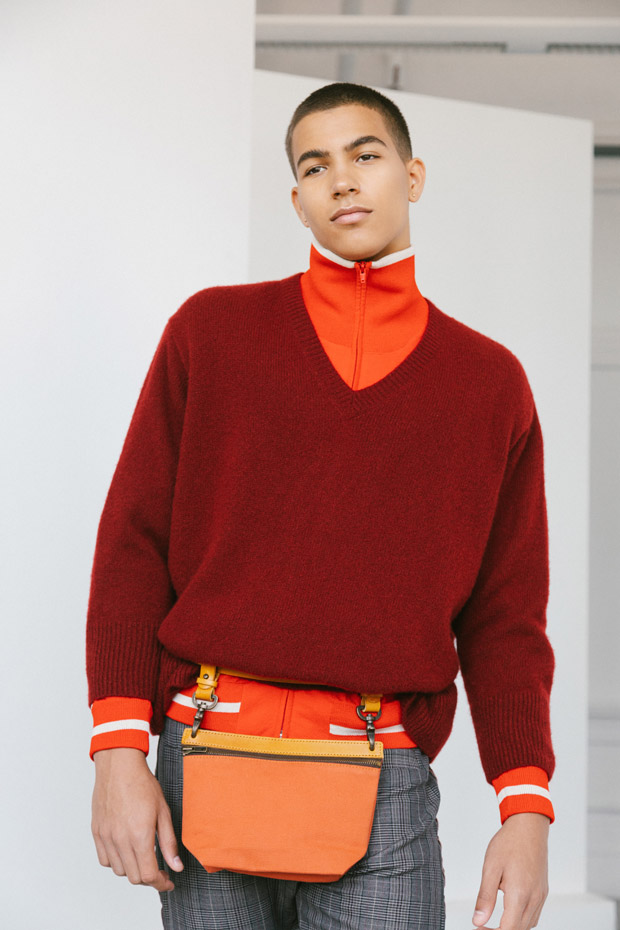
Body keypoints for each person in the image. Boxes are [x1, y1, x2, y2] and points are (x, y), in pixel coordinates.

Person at [87, 81, 555, 930]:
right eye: (315, 165)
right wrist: (118, 749)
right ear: (297, 198)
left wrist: (524, 806)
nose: (342, 179)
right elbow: (133, 544)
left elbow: (506, 614)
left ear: (413, 175)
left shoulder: (489, 384)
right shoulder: (210, 334)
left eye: (365, 155)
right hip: (205, 758)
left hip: (386, 782)